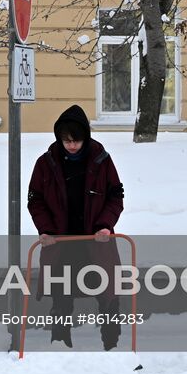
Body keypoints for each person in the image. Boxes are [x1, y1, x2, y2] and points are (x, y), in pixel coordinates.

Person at [26, 104, 125, 349]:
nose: (71, 145)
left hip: (97, 241)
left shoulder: (102, 160)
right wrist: (45, 230)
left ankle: (113, 347)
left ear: (86, 138)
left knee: (109, 296)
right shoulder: (46, 163)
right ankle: (60, 346)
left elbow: (115, 196)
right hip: (61, 243)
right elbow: (35, 199)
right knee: (61, 297)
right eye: (66, 140)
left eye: (77, 140)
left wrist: (105, 226)